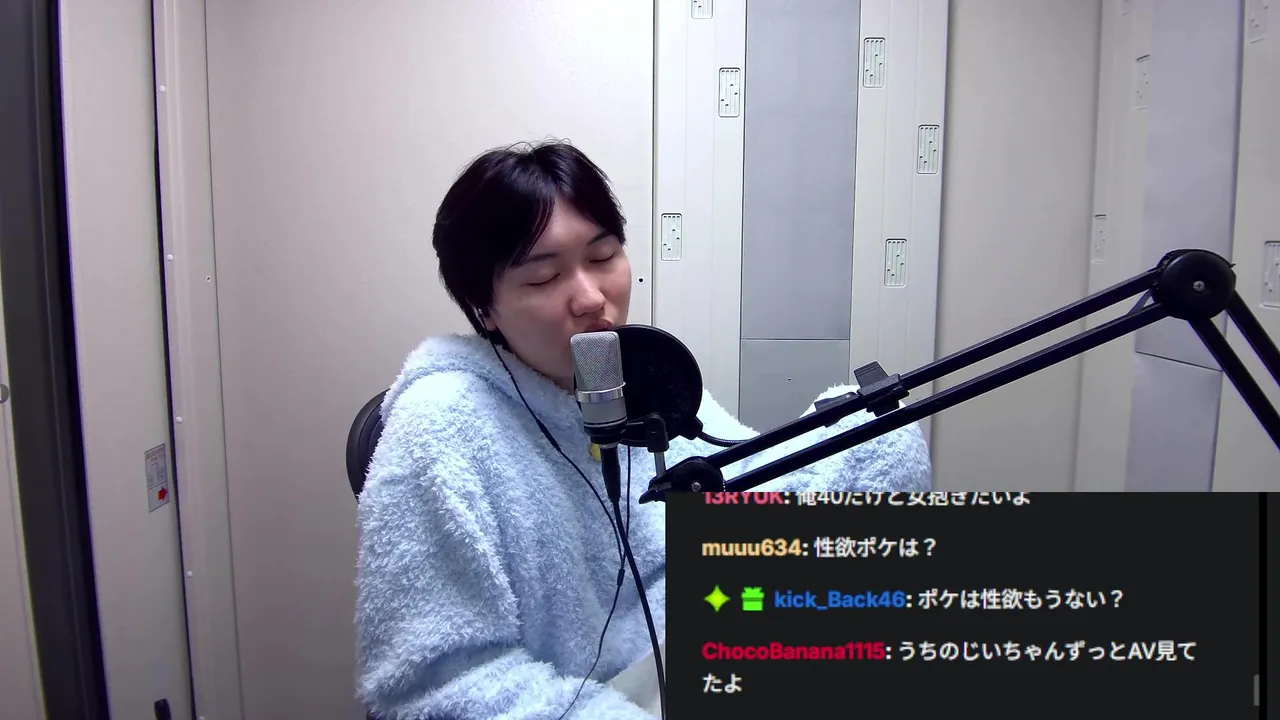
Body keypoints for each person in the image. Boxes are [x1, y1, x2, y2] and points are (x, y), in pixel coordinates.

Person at [354, 140, 932, 719]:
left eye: (604, 256)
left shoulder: (644, 377)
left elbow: (740, 486)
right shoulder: (440, 427)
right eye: (544, 277)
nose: (590, 297)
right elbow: (438, 683)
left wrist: (851, 441)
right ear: (484, 306)